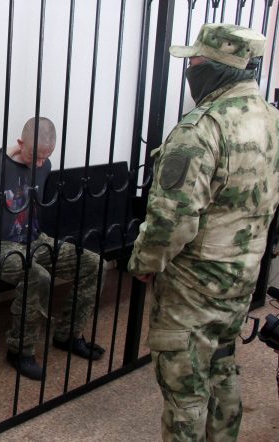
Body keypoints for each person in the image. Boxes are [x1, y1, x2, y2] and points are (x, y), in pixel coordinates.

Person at [128, 23, 279, 441]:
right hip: (241, 279)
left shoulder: (200, 130)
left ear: (216, 68)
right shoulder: (271, 119)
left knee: (185, 390)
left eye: (193, 61)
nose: (189, 68)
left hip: (192, 290)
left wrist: (144, 262)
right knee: (222, 367)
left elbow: (170, 221)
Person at [0, 117, 106, 381]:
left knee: (94, 264)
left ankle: (69, 334)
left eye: (46, 157)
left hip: (35, 239)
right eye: (35, 155)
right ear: (21, 143)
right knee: (38, 277)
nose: (40, 163)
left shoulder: (45, 166)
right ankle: (20, 349)